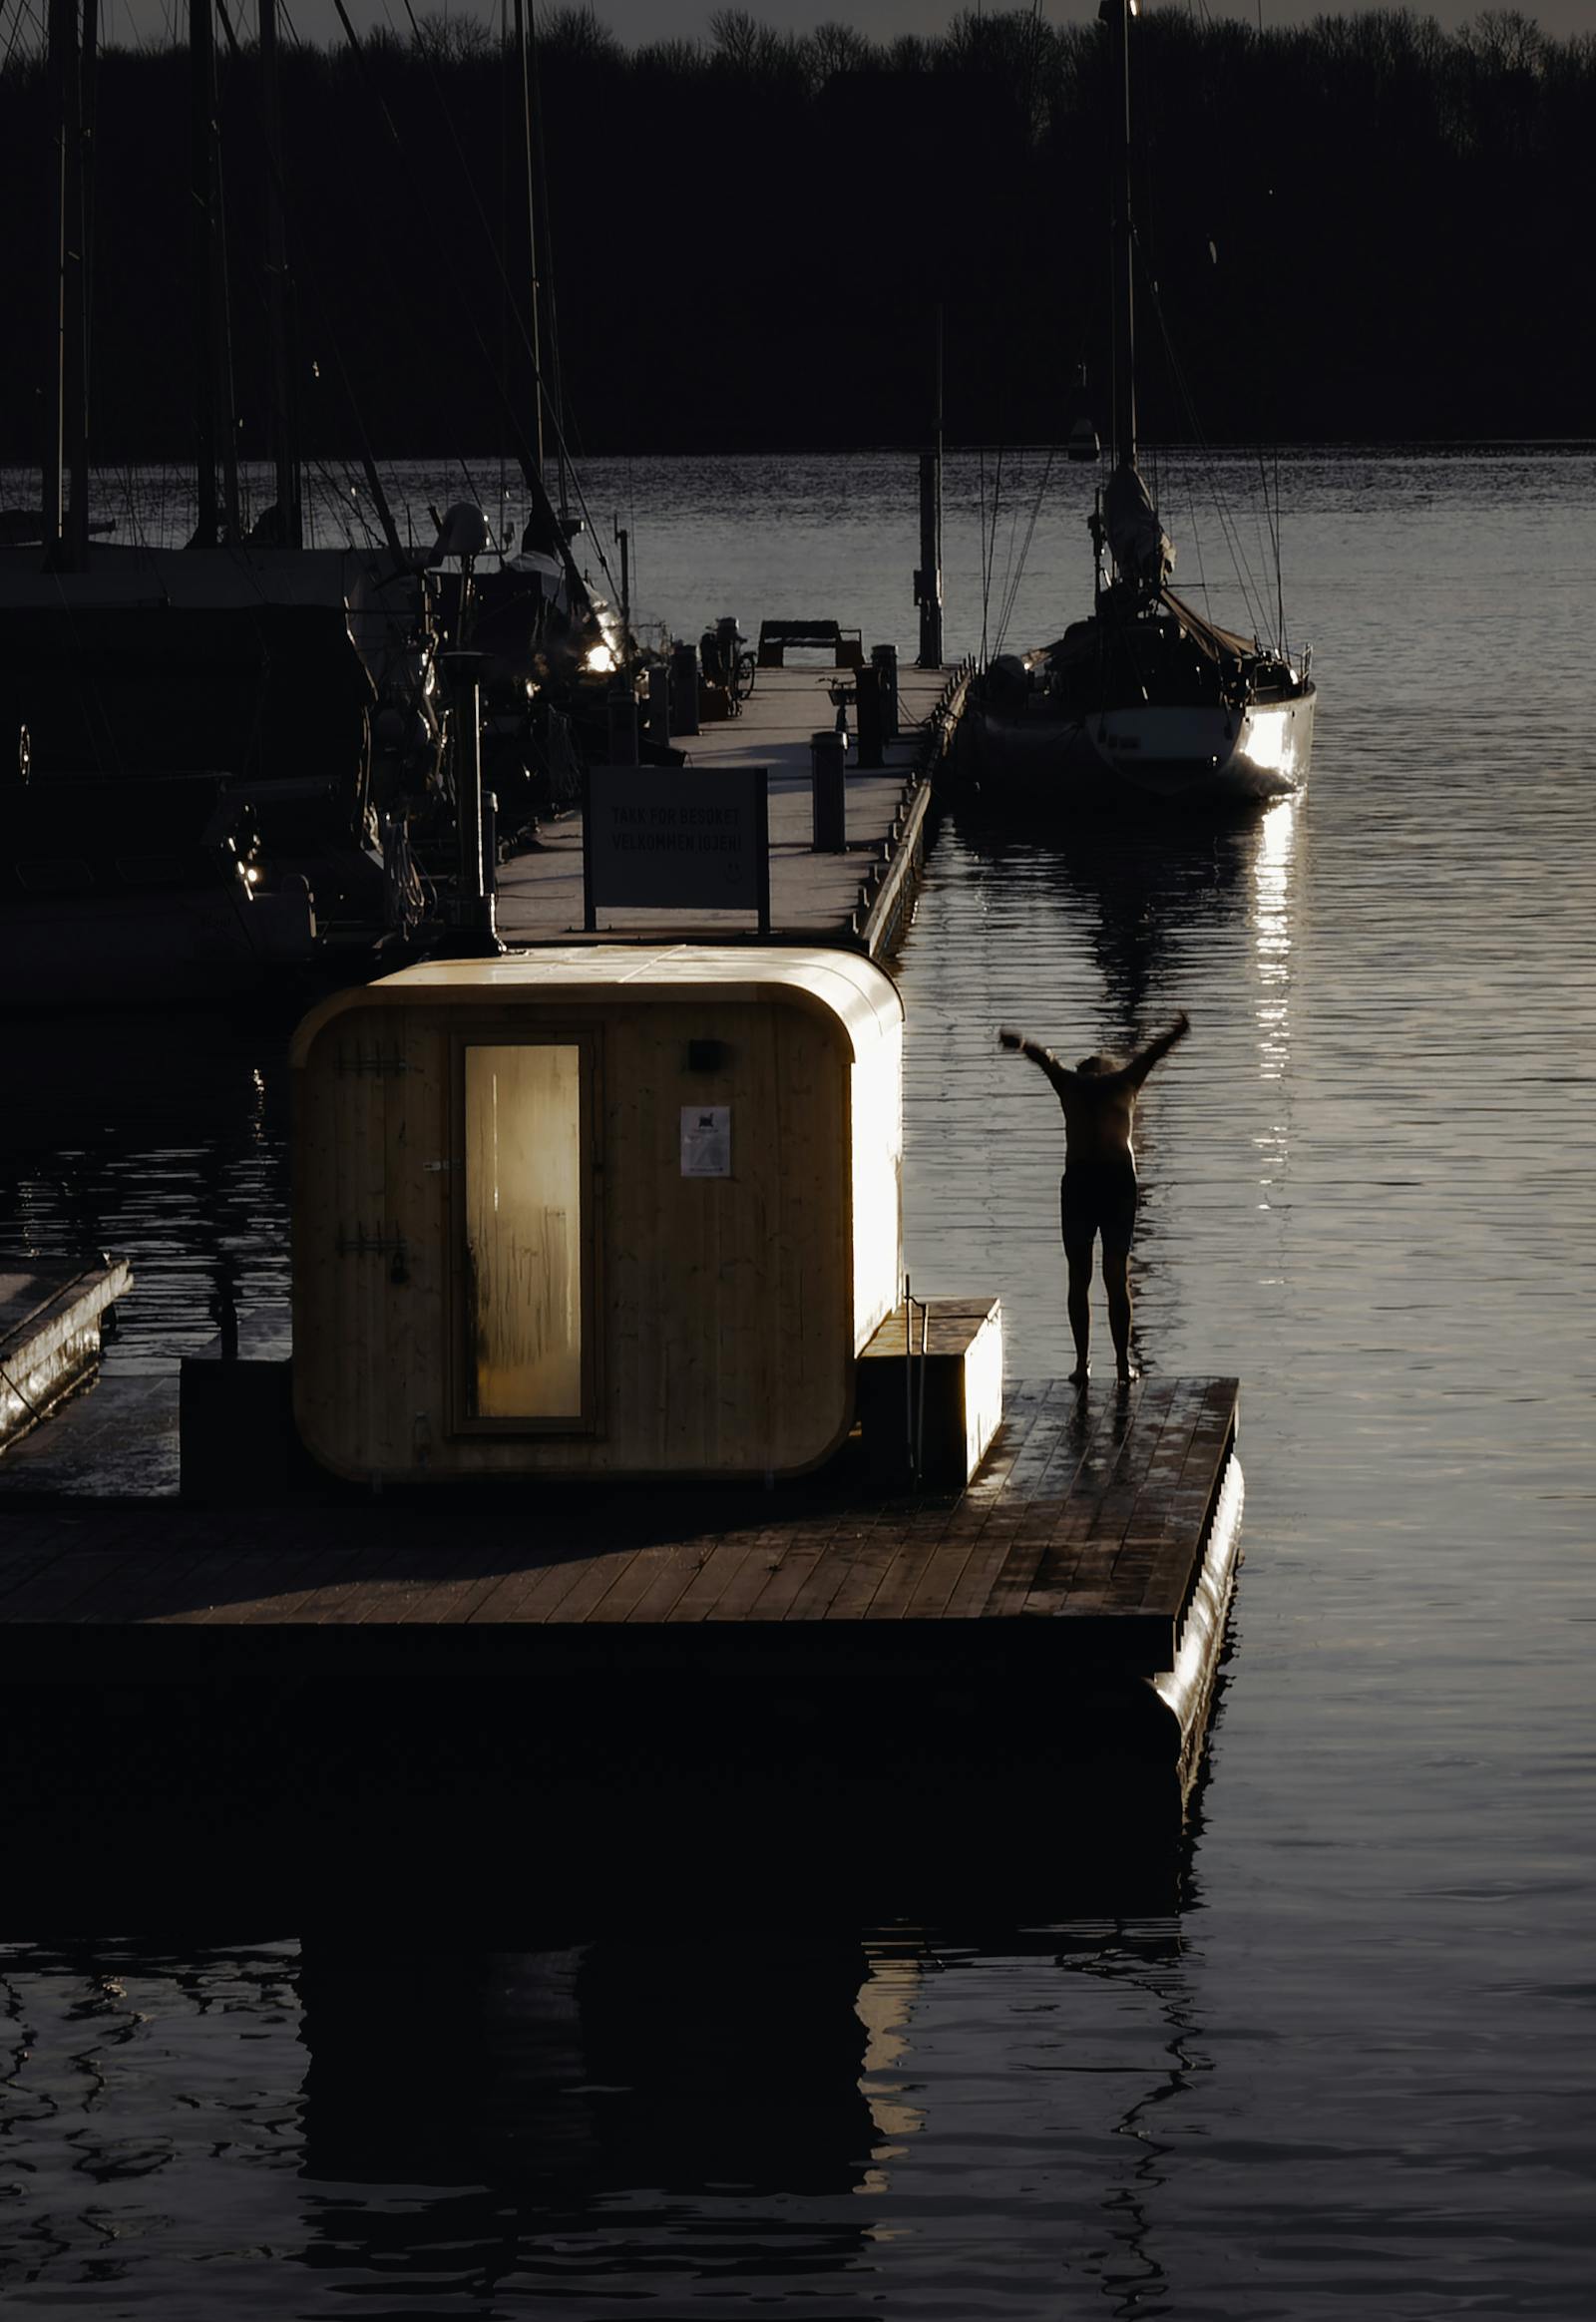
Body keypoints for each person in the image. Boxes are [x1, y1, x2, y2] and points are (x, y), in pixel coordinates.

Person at [998, 1010, 1190, 1384]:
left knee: (1079, 1276)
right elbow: (1153, 1053)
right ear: (1106, 1070)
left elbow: (1043, 1058)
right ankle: (1121, 1365)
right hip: (1117, 1182)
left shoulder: (1070, 1085)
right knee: (1115, 1276)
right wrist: (1177, 1032)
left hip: (1082, 1182)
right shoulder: (1124, 1082)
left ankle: (1083, 1364)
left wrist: (1020, 1043)